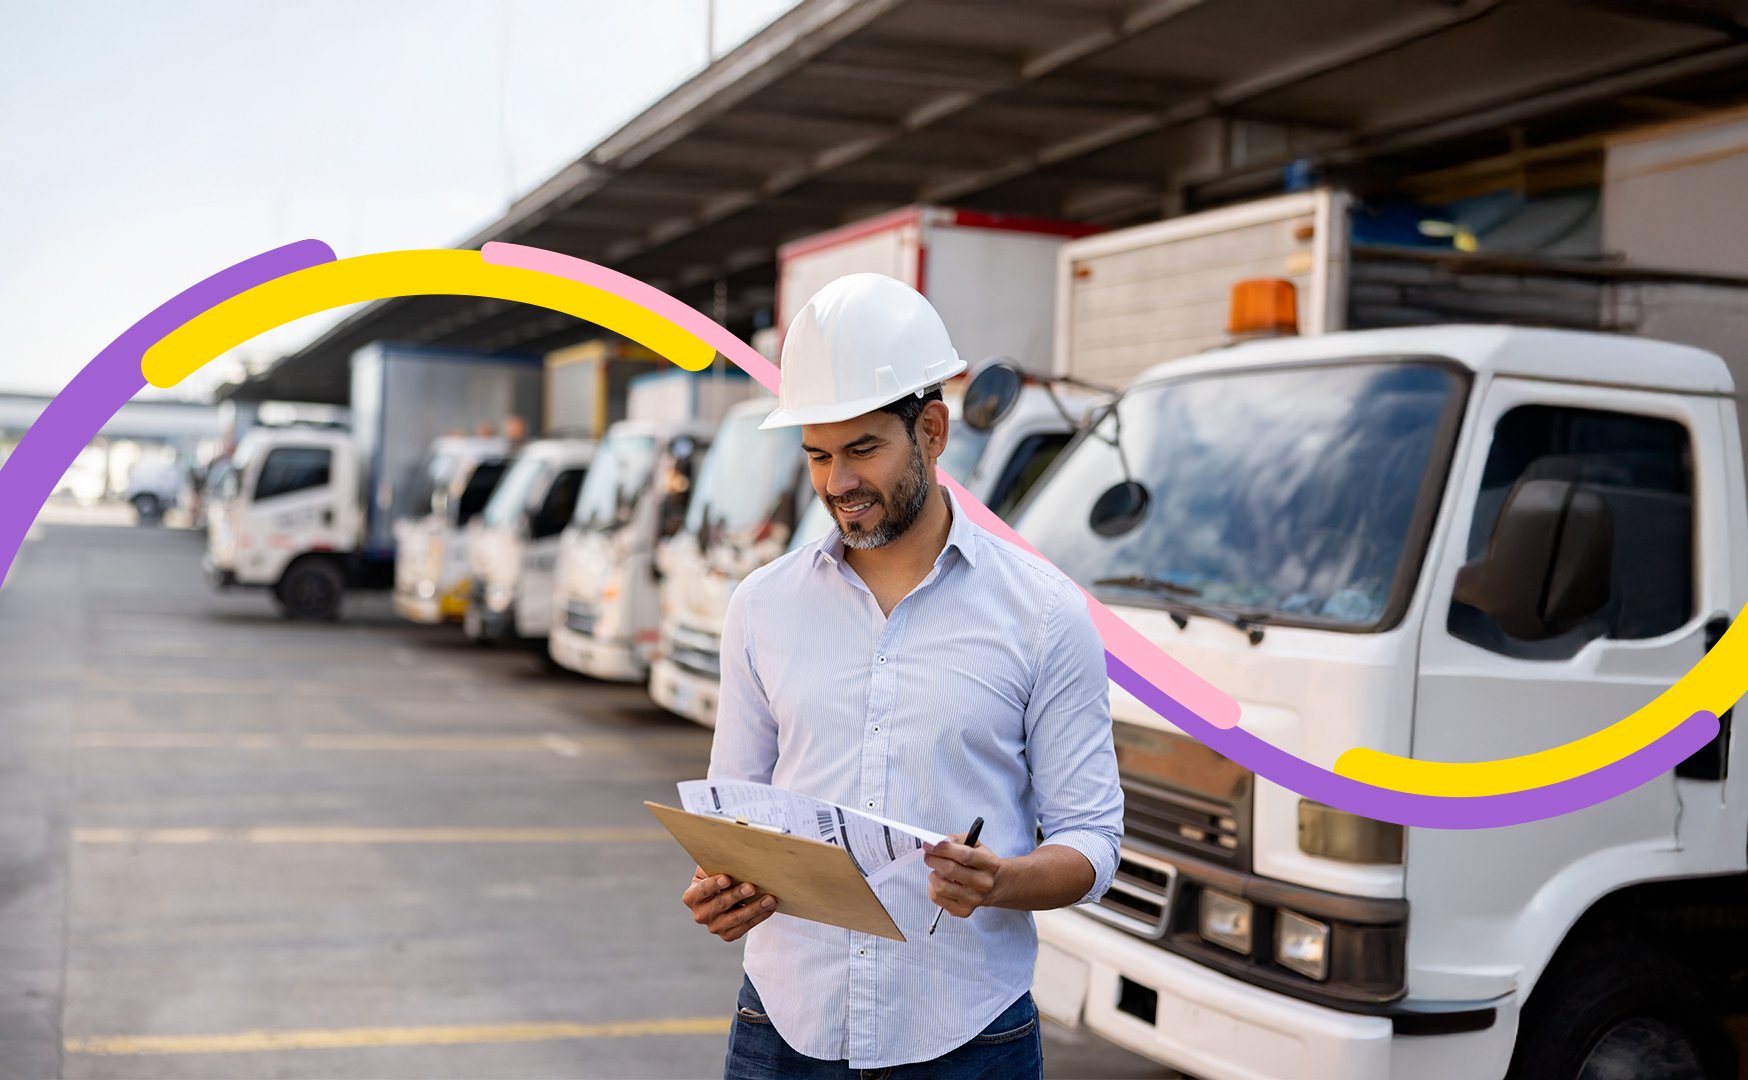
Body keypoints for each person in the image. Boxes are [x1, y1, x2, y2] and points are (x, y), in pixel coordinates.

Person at [680, 273, 1123, 1078]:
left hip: (964, 1037)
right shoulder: (762, 607)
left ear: (932, 430)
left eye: (862, 450)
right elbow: (734, 810)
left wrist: (1002, 881)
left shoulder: (1046, 616)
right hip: (783, 1025)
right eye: (816, 454)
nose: (836, 483)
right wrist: (722, 883)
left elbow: (1094, 841)